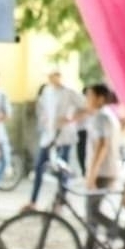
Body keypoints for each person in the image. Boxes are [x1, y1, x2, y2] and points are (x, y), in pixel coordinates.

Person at [24, 69, 84, 208]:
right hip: (49, 135)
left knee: (63, 169)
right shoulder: (47, 92)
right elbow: (43, 111)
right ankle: (33, 201)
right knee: (39, 167)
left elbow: (84, 107)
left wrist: (71, 119)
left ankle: (60, 202)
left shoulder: (69, 92)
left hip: (65, 134)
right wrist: (45, 123)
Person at [83, 81, 123, 249]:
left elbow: (102, 145)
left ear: (100, 98)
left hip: (102, 171)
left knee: (92, 211)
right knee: (92, 211)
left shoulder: (102, 117)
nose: (87, 99)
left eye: (90, 96)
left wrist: (92, 173)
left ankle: (118, 232)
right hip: (105, 170)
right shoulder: (106, 116)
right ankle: (90, 247)